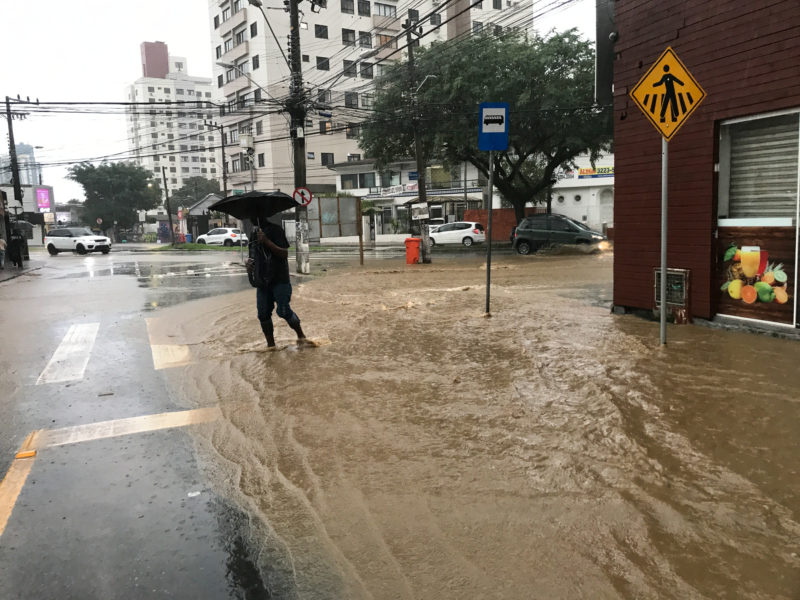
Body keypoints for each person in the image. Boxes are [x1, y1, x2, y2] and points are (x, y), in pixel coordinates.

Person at [246, 221, 306, 347]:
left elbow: (284, 253)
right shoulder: (253, 233)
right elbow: (252, 255)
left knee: (283, 311)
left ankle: (301, 336)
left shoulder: (276, 230)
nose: (251, 218)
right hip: (262, 281)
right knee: (263, 314)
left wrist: (267, 241)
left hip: (279, 278)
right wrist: (249, 264)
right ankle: (271, 346)